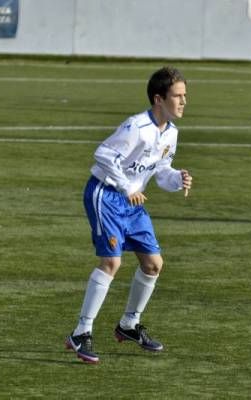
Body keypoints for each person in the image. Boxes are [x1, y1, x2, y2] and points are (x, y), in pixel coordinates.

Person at [65, 66, 192, 364]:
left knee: (153, 264)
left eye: (185, 95)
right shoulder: (136, 126)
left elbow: (161, 174)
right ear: (159, 99)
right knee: (112, 262)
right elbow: (103, 154)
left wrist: (179, 178)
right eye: (178, 96)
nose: (184, 101)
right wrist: (125, 187)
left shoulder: (171, 134)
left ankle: (129, 325)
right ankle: (81, 333)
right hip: (106, 194)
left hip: (132, 201)